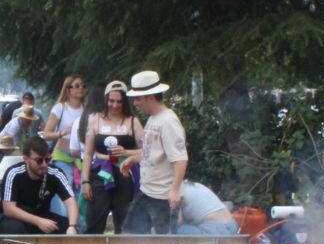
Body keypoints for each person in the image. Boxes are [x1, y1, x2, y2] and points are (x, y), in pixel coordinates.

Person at [121, 70, 189, 234]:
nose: (135, 103)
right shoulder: (153, 118)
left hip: (163, 198)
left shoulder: (169, 121)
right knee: (129, 235)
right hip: (146, 192)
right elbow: (151, 153)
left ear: (150, 97)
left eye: (138, 98)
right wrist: (132, 159)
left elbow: (180, 159)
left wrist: (174, 191)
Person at [81, 80, 143, 234]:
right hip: (101, 171)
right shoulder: (95, 119)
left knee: (124, 219)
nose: (115, 105)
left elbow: (147, 152)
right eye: (111, 101)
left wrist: (126, 152)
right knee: (95, 217)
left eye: (119, 102)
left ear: (125, 102)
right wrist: (85, 181)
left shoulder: (133, 122)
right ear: (106, 100)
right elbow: (88, 154)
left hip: (124, 171)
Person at [0, 136, 79, 235]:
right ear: (26, 159)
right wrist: (38, 221)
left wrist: (72, 226)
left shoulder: (56, 173)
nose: (44, 164)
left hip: (42, 215)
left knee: (67, 227)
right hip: (13, 217)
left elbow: (71, 201)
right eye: (39, 160)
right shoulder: (14, 173)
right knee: (15, 229)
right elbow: (9, 209)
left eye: (48, 160)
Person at [40, 75, 85, 190]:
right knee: (65, 188)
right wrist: (62, 133)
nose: (81, 88)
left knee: (81, 192)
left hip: (81, 158)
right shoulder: (60, 108)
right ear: (68, 90)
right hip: (62, 156)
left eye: (82, 86)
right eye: (77, 86)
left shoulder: (85, 110)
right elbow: (46, 135)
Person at [175, 182, 241, 235]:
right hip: (233, 226)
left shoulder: (177, 191)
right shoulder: (196, 185)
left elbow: (178, 221)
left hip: (215, 231)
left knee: (173, 229)